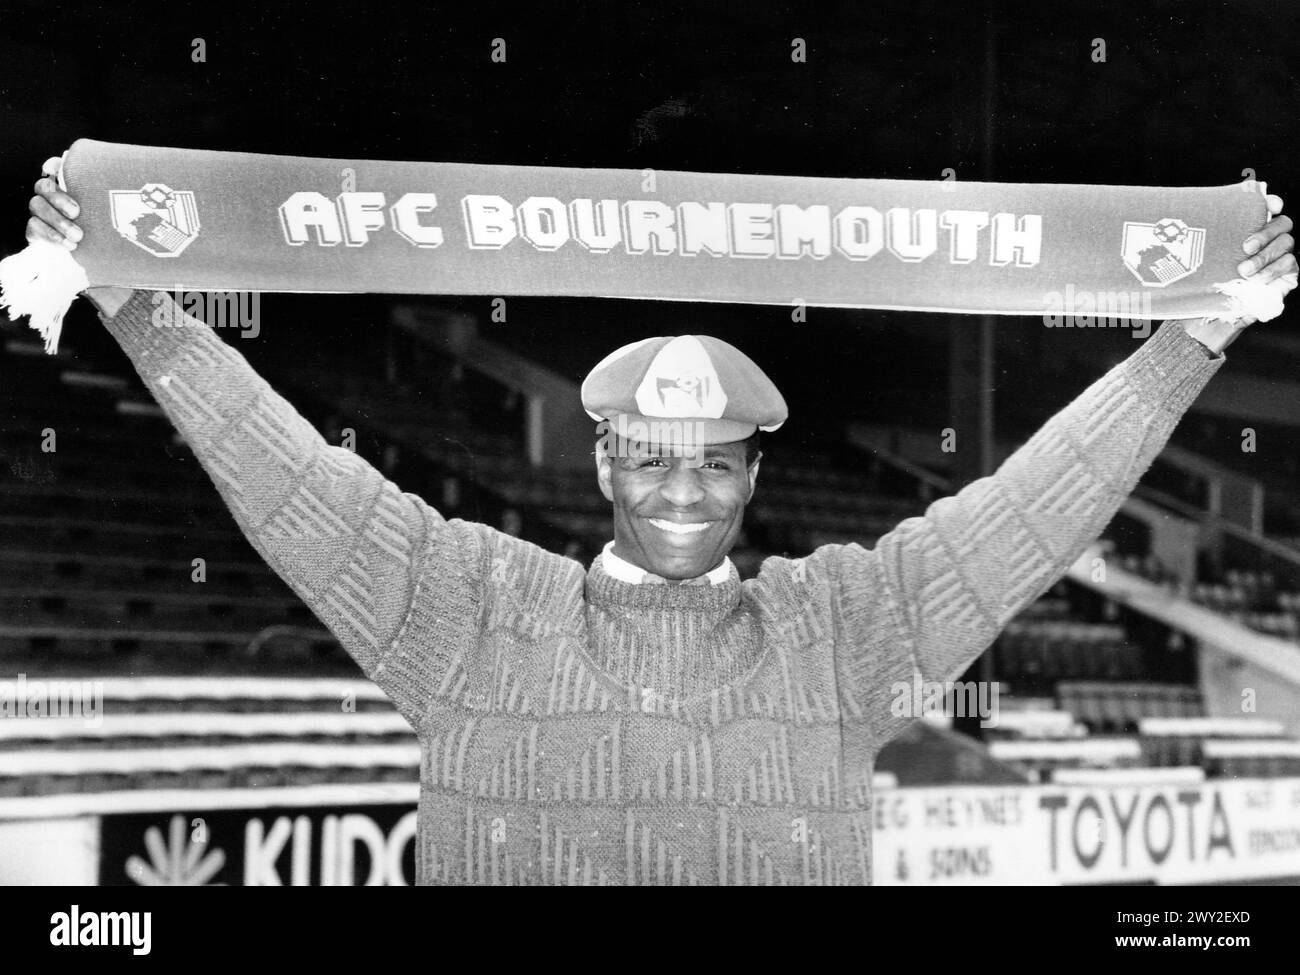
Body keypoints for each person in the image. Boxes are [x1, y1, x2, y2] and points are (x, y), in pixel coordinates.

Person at [24, 160, 1297, 885]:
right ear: (602, 460)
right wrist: (133, 298)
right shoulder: (466, 608)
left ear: (754, 476)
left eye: (712, 463)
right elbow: (286, 474)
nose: (680, 491)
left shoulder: (845, 624)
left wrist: (1193, 340)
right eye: (649, 458)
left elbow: (1036, 502)